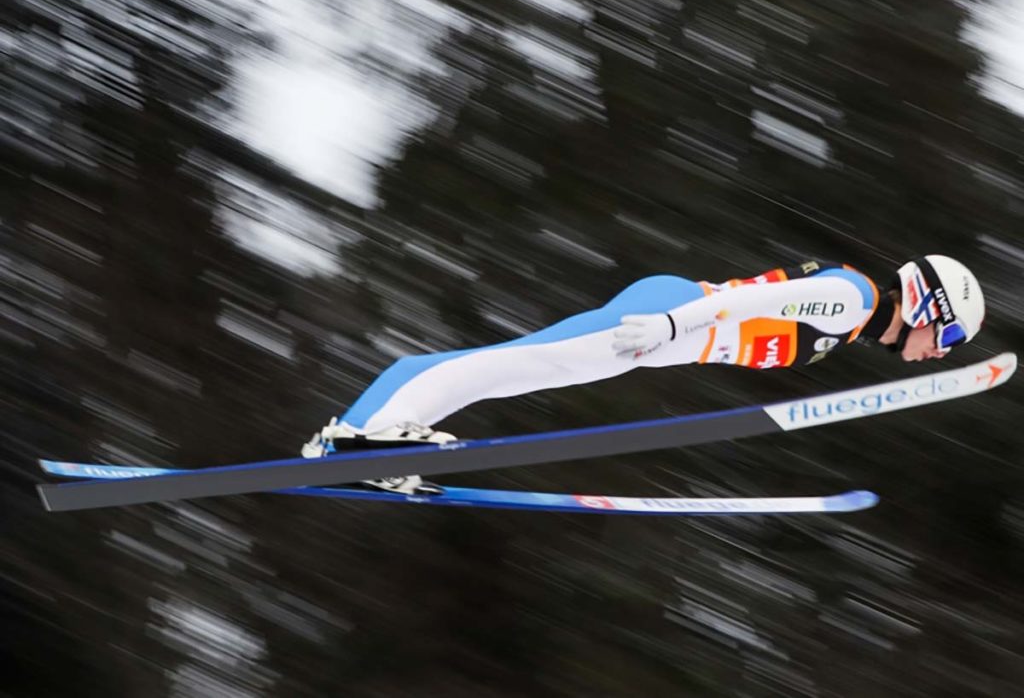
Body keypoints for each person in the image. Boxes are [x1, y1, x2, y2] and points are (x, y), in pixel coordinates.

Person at [301, 255, 985, 494]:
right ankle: (365, 435)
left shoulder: (852, 320)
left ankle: (370, 439)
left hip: (669, 330)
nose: (942, 351)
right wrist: (670, 326)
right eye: (950, 337)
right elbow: (750, 303)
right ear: (928, 305)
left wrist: (673, 335)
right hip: (667, 316)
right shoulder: (853, 298)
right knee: (515, 365)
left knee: (515, 372)